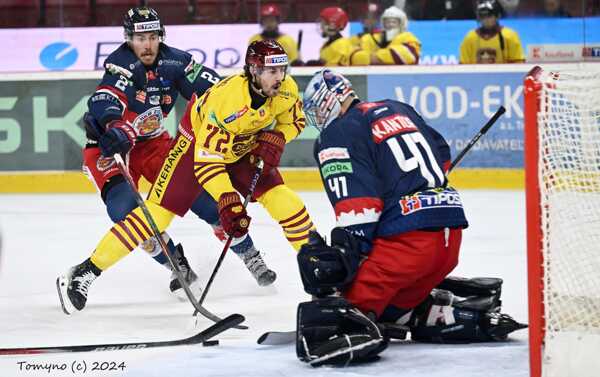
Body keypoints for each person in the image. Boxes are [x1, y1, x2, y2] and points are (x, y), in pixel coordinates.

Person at [57, 40, 314, 314]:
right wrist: (227, 197)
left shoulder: (287, 88)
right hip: (195, 150)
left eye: (281, 70)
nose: (279, 77)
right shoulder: (227, 103)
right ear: (253, 70)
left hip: (242, 145)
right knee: (156, 216)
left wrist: (279, 136)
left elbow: (295, 121)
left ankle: (320, 267)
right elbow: (208, 163)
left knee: (284, 200)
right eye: (271, 71)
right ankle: (86, 271)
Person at [294, 69, 527, 367]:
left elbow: (359, 212)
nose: (316, 118)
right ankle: (435, 312)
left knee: (337, 310)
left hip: (407, 247)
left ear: (328, 101)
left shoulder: (337, 133)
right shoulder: (398, 108)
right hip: (448, 241)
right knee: (393, 312)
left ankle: (364, 315)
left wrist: (343, 270)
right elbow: (441, 153)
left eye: (316, 109)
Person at [459, 0, 525, 64]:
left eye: (489, 16)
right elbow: (463, 65)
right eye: (482, 16)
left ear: (498, 16)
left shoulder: (510, 36)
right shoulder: (470, 38)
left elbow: (518, 63)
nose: (485, 20)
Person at [305, 7, 369, 66]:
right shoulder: (326, 45)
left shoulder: (341, 45)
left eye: (323, 23)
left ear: (333, 25)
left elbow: (334, 70)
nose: (321, 26)